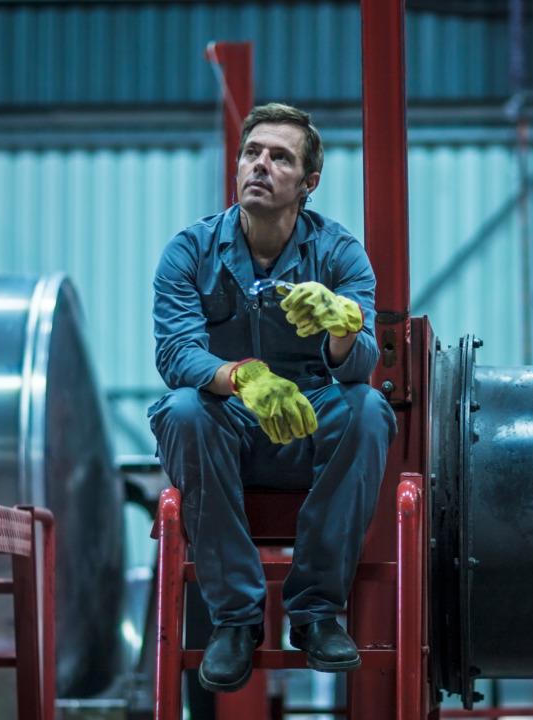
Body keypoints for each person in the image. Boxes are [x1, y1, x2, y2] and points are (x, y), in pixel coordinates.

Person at [148, 103, 396, 694]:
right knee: (183, 410)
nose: (260, 165)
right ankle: (235, 621)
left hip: (306, 431)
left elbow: (363, 365)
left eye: (279, 157)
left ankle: (314, 614)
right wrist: (243, 378)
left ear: (308, 183)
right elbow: (175, 356)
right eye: (251, 153)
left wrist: (342, 323)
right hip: (224, 430)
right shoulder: (190, 251)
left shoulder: (338, 254)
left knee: (367, 410)